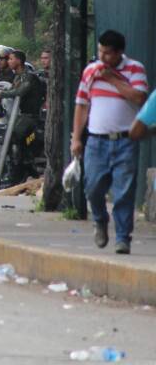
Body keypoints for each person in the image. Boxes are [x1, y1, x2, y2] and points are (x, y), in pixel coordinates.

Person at [71, 30, 148, 254]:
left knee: (123, 191)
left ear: (120, 53)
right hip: (96, 140)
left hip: (125, 139)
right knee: (93, 186)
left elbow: (139, 98)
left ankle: (123, 237)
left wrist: (112, 79)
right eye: (100, 51)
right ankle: (100, 219)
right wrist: (76, 138)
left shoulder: (135, 69)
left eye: (108, 53)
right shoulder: (90, 71)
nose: (103, 58)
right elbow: (82, 105)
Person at [0, 50, 43, 172]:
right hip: (20, 114)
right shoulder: (18, 77)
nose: (8, 61)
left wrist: (1, 94)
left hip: (30, 116)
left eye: (11, 59)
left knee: (12, 135)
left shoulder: (29, 76)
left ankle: (21, 166)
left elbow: (19, 92)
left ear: (19, 61)